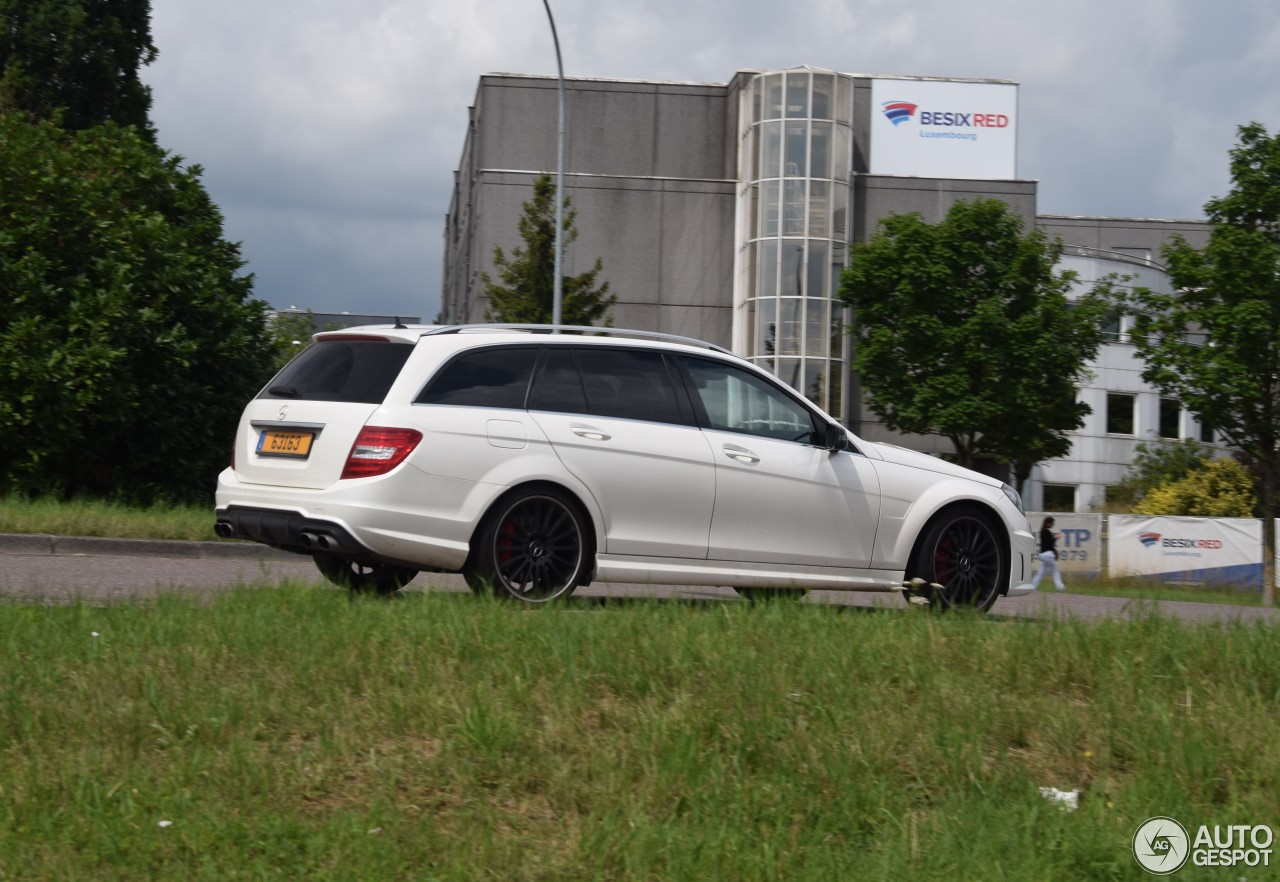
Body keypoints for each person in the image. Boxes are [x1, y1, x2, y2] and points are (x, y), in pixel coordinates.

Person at [1031, 516, 1065, 591]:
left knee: (1041, 572)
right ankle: (1060, 588)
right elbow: (1050, 544)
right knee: (1055, 571)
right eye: (1052, 523)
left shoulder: (1042, 531)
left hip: (1042, 555)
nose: (1053, 524)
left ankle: (1033, 587)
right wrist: (1056, 537)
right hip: (1048, 555)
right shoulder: (1046, 532)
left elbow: (1047, 544)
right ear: (1047, 523)